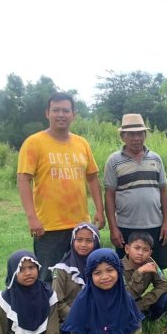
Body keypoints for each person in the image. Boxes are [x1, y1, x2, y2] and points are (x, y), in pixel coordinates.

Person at [17, 92, 105, 284]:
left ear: (74, 114)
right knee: (48, 276)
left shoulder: (82, 143)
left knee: (85, 272)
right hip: (48, 226)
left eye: (66, 110)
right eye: (56, 110)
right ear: (47, 113)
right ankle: (51, 314)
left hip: (80, 225)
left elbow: (92, 177)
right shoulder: (34, 143)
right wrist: (32, 217)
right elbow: (23, 180)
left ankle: (80, 312)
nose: (61, 115)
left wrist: (100, 209)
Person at [103, 113, 167, 270]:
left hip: (155, 224)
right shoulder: (114, 161)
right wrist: (113, 228)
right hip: (126, 226)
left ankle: (159, 295)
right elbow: (109, 195)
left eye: (140, 133)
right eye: (131, 134)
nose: (136, 138)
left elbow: (164, 191)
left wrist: (166, 222)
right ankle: (130, 296)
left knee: (158, 269)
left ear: (145, 135)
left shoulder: (155, 158)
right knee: (126, 270)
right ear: (123, 136)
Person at [51, 222, 100, 325]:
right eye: (79, 240)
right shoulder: (62, 269)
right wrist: (78, 317)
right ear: (73, 241)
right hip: (72, 320)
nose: (83, 244)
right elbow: (58, 302)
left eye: (89, 241)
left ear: (96, 243)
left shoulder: (103, 266)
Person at [122, 231, 167, 320]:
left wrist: (143, 303)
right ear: (127, 249)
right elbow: (125, 296)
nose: (140, 253)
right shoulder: (118, 267)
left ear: (150, 253)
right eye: (137, 248)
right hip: (122, 305)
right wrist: (139, 272)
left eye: (145, 250)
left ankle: (145, 316)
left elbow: (163, 285)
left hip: (140, 302)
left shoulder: (150, 262)